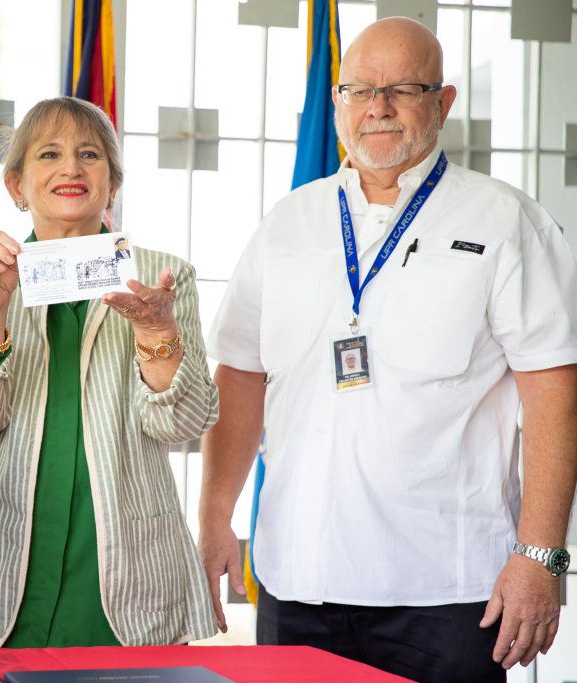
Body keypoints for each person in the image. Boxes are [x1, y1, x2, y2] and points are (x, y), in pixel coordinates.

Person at [199, 17, 577, 683]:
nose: (378, 107)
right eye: (359, 89)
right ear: (338, 101)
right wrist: (215, 515)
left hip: (449, 592)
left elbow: (553, 391)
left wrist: (541, 554)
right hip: (298, 581)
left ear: (444, 102)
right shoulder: (289, 222)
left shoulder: (505, 220)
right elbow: (240, 375)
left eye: (404, 88)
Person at [0, 97, 218, 649]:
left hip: (126, 572)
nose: (72, 168)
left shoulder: (161, 278)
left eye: (90, 154)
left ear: (113, 182)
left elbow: (184, 423)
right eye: (49, 154)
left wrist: (156, 331)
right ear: (16, 185)